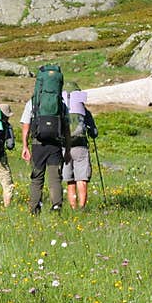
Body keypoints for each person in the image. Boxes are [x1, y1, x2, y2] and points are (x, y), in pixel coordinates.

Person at [20, 96, 69, 214]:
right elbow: (66, 128)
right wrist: (67, 149)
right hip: (55, 145)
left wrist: (25, 146)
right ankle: (56, 207)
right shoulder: (60, 102)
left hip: (38, 145)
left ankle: (34, 209)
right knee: (55, 178)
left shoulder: (32, 102)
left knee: (37, 178)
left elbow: (26, 127)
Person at [62, 81, 99, 210]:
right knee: (81, 179)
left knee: (70, 181)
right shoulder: (84, 111)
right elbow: (94, 133)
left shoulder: (60, 109)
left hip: (64, 148)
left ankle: (73, 208)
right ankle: (82, 209)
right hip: (80, 146)